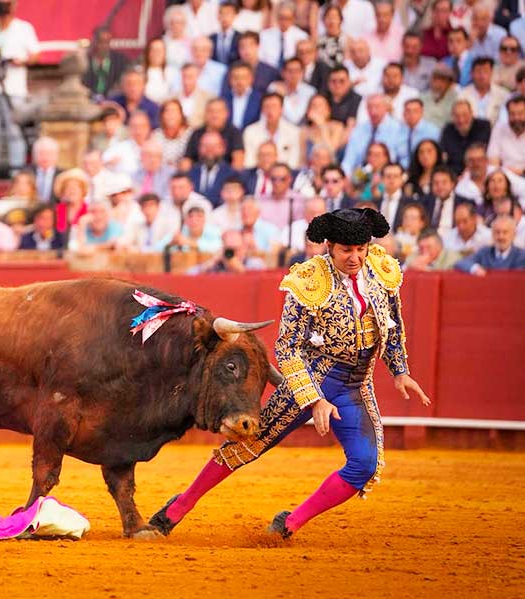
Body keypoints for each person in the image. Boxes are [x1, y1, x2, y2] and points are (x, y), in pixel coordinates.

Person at [149, 207, 430, 539]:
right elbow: (288, 348)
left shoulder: (381, 271)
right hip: (312, 378)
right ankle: (178, 507)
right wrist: (315, 399)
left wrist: (400, 370)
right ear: (330, 247)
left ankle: (290, 523)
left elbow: (392, 325)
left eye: (361, 249)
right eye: (346, 250)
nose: (355, 258)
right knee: (248, 444)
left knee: (365, 465)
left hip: (355, 385)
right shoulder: (309, 280)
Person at [0, 0, 39, 178]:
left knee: (14, 129)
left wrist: (20, 61)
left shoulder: (24, 28)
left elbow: (36, 55)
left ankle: (17, 170)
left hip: (14, 88)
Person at [341, 94, 403, 174]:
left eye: (377, 107)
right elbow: (349, 160)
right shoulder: (359, 129)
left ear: (386, 108)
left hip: (388, 173)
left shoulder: (398, 128)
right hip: (360, 174)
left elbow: (400, 158)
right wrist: (344, 175)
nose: (373, 111)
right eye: (370, 107)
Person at [243, 92, 302, 169]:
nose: (270, 110)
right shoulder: (250, 131)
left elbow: (294, 162)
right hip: (258, 173)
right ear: (262, 110)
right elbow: (249, 162)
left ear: (281, 109)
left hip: (284, 174)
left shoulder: (294, 132)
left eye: (274, 106)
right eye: (267, 106)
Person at [184, 98, 246, 168]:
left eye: (219, 111)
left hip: (225, 173)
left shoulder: (234, 133)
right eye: (211, 111)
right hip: (199, 172)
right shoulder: (197, 133)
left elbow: (238, 160)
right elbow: (187, 160)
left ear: (226, 114)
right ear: (205, 114)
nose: (215, 115)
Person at [454, 215, 525, 273]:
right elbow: (461, 262)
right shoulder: (485, 252)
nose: (501, 236)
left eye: (505, 232)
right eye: (497, 232)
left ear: (513, 235)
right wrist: (475, 269)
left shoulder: (521, 255)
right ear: (492, 234)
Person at [440, 99, 493, 175]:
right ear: (452, 117)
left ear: (472, 114)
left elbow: (479, 151)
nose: (461, 120)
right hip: (453, 173)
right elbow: (443, 154)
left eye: (464, 115)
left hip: (477, 170)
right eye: (457, 116)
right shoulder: (448, 130)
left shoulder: (483, 126)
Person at [189, 131, 239, 206]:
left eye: (214, 146)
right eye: (205, 146)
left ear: (223, 148)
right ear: (199, 148)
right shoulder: (190, 174)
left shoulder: (233, 175)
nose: (209, 150)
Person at [83, 26, 131, 100]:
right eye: (100, 41)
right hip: (87, 101)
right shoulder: (83, 60)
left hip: (113, 101)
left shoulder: (120, 61)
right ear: (93, 41)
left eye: (107, 42)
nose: (104, 46)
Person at [259, 2, 308, 70]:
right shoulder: (265, 35)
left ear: (293, 18)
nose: (284, 21)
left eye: (288, 18)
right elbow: (261, 58)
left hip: (292, 72)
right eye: (281, 17)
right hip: (269, 71)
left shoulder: (302, 36)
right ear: (277, 17)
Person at [459, 57, 509, 124]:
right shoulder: (462, 95)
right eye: (478, 71)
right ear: (471, 74)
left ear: (491, 73)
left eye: (486, 71)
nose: (482, 75)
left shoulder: (503, 94)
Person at [426, 165, 473, 234]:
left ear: (452, 184)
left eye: (444, 182)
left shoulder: (464, 203)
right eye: (436, 183)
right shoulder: (425, 203)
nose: (440, 186)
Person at [269, 58, 316, 126]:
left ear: (303, 73)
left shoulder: (310, 92)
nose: (293, 74)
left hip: (299, 129)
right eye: (290, 71)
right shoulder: (274, 87)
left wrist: (284, 97)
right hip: (277, 127)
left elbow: (295, 119)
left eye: (297, 71)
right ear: (283, 73)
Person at [397, 98, 441, 169]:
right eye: (408, 111)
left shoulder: (431, 131)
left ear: (422, 113)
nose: (411, 114)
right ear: (403, 114)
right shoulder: (399, 130)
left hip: (422, 168)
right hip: (400, 169)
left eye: (415, 111)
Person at [487, 96, 525, 176]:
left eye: (520, 113)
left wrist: (521, 172)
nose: (516, 118)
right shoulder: (499, 128)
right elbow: (493, 161)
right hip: (504, 177)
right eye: (512, 114)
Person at [221, 61, 264, 131]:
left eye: (244, 77)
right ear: (230, 79)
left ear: (251, 79)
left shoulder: (260, 99)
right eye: (236, 78)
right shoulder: (223, 99)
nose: (239, 81)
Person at [154, 98, 193, 167]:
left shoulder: (190, 134)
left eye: (174, 111)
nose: (171, 115)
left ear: (181, 115)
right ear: (162, 115)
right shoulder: (156, 135)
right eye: (167, 111)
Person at [176, 63, 214, 129]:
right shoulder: (173, 97)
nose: (186, 81)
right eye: (184, 76)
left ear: (197, 77)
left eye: (190, 77)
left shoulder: (208, 98)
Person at [422, 63, 459, 127]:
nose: (437, 84)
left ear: (449, 84)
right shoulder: (422, 98)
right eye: (435, 79)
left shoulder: (456, 100)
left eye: (442, 80)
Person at [143, 38, 178, 104]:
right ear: (148, 52)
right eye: (153, 50)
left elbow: (175, 95)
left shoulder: (172, 73)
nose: (156, 54)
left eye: (159, 51)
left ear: (165, 53)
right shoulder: (140, 72)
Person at [210, 0, 242, 66]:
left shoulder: (240, 37)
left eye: (228, 13)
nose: (224, 17)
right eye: (222, 13)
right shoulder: (211, 38)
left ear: (235, 15)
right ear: (218, 16)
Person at [31, 136, 61, 203]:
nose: (45, 157)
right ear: (34, 155)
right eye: (41, 153)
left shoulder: (63, 174)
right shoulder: (27, 172)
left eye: (49, 153)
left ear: (56, 155)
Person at [162, 4, 191, 69]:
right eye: (173, 22)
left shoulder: (191, 43)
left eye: (179, 22)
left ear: (185, 24)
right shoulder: (162, 42)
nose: (176, 26)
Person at [317, 4, 346, 69]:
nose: (331, 21)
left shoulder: (347, 41)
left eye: (334, 17)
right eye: (328, 17)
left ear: (341, 20)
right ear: (323, 20)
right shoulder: (317, 41)